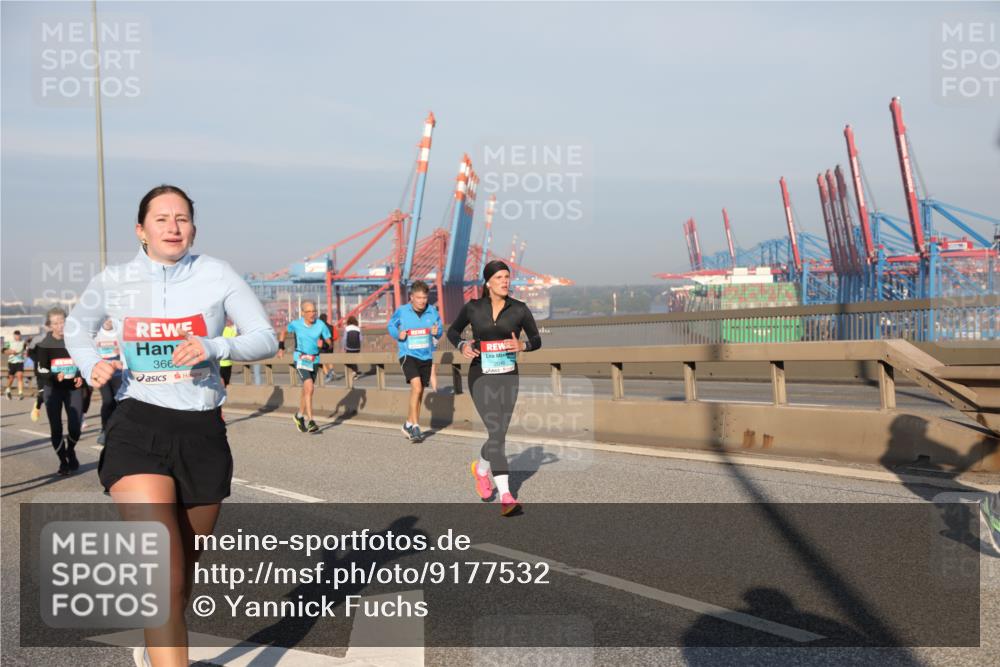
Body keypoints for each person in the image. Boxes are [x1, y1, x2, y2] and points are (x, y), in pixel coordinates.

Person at [65, 184, 278, 667]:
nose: (173, 227)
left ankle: (155, 646)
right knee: (162, 573)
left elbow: (265, 337)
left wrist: (215, 346)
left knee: (181, 573)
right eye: (161, 219)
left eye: (181, 218)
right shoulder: (114, 280)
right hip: (137, 426)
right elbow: (77, 327)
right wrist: (91, 363)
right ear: (140, 230)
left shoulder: (216, 274)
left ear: (193, 229)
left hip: (202, 432)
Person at [447, 260, 541, 516]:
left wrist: (523, 346)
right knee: (497, 434)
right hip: (481, 376)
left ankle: (480, 470)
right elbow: (453, 331)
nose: (505, 281)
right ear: (488, 282)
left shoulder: (519, 309)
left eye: (507, 277)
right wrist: (463, 345)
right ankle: (507, 496)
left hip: (508, 377)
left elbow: (536, 339)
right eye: (499, 277)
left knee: (498, 435)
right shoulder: (473, 308)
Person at [387, 281, 442, 442]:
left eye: (424, 298)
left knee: (419, 392)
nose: (422, 301)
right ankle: (416, 427)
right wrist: (398, 334)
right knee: (416, 387)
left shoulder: (432, 311)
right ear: (411, 297)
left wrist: (436, 332)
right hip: (408, 354)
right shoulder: (402, 311)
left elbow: (439, 330)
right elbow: (391, 325)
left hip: (426, 356)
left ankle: (408, 424)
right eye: (418, 298)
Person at [34, 308, 84, 475]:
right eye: (55, 323)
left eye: (62, 322)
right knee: (56, 429)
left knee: (75, 427)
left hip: (73, 389)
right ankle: (63, 462)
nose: (60, 326)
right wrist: (54, 376)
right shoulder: (44, 344)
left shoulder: (76, 341)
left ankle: (71, 450)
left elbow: (84, 362)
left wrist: (80, 375)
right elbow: (40, 370)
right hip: (53, 390)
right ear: (49, 325)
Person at [278, 300, 332, 433]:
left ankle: (299, 416)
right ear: (303, 313)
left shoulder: (320, 325)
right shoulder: (296, 324)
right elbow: (283, 331)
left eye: (314, 311)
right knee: (310, 386)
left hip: (314, 360)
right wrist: (281, 347)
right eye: (309, 311)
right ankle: (311, 421)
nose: (312, 314)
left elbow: (329, 342)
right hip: (300, 359)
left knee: (307, 390)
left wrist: (324, 345)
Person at [93, 317, 123, 445]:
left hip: (118, 373)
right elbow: (90, 353)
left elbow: (128, 350)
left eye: (111, 319)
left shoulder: (119, 332)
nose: (108, 321)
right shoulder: (96, 334)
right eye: (106, 319)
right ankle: (104, 430)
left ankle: (118, 430)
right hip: (103, 373)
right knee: (108, 401)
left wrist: (120, 351)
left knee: (119, 402)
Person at [26, 327, 48, 421]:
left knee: (54, 395)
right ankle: (37, 407)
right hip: (40, 372)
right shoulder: (37, 341)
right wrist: (39, 359)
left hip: (54, 372)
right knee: (43, 394)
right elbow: (29, 353)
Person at [318, 312, 341, 384]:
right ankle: (332, 371)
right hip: (330, 345)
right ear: (326, 319)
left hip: (322, 346)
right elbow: (336, 337)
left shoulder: (318, 327)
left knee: (322, 361)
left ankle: (328, 375)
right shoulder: (332, 327)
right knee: (330, 359)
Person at [3, 329, 26, 400]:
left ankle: (20, 393)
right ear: (14, 336)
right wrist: (10, 351)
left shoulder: (23, 342)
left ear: (20, 335)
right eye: (16, 336)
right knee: (11, 378)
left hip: (20, 362)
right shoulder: (9, 342)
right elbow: (3, 351)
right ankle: (7, 390)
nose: (17, 337)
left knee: (20, 376)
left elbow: (26, 349)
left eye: (19, 336)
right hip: (11, 362)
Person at [343, 315, 363, 379]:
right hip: (357, 347)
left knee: (347, 361)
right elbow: (361, 339)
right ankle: (355, 372)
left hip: (349, 347)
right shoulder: (358, 328)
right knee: (354, 360)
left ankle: (354, 372)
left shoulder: (347, 328)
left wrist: (344, 347)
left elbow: (345, 339)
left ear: (348, 322)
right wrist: (359, 346)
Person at [219, 321, 237, 387]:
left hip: (219, 362)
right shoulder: (231, 330)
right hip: (227, 362)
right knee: (225, 383)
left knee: (221, 384)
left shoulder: (218, 330)